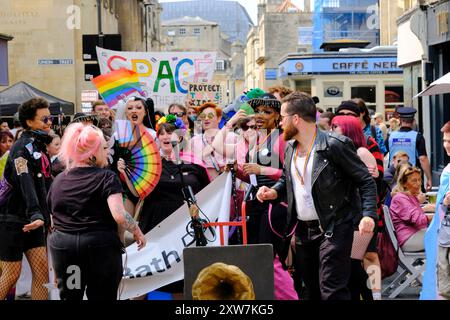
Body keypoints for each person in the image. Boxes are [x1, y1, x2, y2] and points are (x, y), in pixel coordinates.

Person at [257, 92, 377, 300]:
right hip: (304, 231)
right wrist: (274, 191)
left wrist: (368, 214)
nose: (279, 123)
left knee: (331, 289)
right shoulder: (291, 149)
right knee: (311, 290)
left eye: (282, 117)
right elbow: (289, 180)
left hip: (334, 227)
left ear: (296, 119)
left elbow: (365, 181)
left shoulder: (334, 145)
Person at [47, 123, 146, 300]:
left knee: (71, 296)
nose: (107, 152)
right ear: (93, 152)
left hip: (65, 248)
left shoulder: (59, 180)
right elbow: (119, 214)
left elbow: (53, 219)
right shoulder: (106, 177)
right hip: (99, 249)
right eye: (103, 148)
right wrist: (137, 231)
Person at [0, 97, 54, 300]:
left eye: (50, 118)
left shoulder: (39, 147)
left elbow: (44, 185)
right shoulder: (21, 149)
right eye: (45, 119)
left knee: (41, 274)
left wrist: (47, 217)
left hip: (35, 220)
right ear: (29, 122)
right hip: (12, 221)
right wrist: (36, 214)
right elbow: (26, 183)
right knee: (11, 275)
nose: (50, 122)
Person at [331, 115, 381, 300]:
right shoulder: (353, 151)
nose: (332, 130)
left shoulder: (360, 152)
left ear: (348, 130)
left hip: (362, 215)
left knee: (359, 259)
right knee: (357, 259)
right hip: (357, 214)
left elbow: (369, 184)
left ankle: (372, 296)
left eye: (336, 127)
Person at [387, 107, 432, 192]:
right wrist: (429, 178)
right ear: (414, 121)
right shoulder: (418, 137)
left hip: (394, 178)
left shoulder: (390, 136)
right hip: (411, 177)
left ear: (400, 120)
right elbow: (423, 159)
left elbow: (383, 154)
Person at [390, 166, 433, 252]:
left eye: (419, 180)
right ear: (404, 183)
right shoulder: (400, 198)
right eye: (414, 181)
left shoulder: (409, 196)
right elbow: (419, 219)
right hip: (408, 238)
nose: (418, 183)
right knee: (445, 236)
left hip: (414, 233)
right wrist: (439, 216)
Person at [189, 102, 236, 180]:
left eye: (210, 115)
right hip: (205, 187)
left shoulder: (232, 137)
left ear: (219, 118)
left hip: (229, 185)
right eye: (203, 116)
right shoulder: (194, 141)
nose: (206, 118)